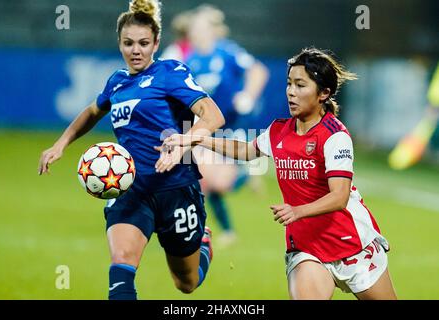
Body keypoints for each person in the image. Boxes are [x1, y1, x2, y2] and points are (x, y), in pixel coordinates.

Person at [160, 47, 397, 300]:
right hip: (307, 248)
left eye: (300, 85)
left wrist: (298, 211)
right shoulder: (279, 131)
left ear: (324, 93)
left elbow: (339, 197)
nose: (291, 92)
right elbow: (246, 150)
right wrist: (196, 140)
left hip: (351, 245)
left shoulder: (334, 136)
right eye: (289, 84)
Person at [38, 0, 225, 300]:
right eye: (128, 43)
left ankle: (203, 242)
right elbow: (91, 111)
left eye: (143, 43)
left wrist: (182, 144)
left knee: (186, 283)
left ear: (156, 43)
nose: (135, 50)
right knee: (122, 262)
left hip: (176, 188)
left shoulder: (171, 72)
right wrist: (61, 144)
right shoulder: (117, 82)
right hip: (131, 189)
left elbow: (213, 116)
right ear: (120, 43)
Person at [185, 4, 269, 245]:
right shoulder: (191, 60)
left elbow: (258, 71)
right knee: (203, 181)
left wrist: (248, 96)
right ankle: (220, 232)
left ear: (212, 30)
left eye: (200, 26)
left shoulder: (227, 52)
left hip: (234, 125)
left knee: (218, 183)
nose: (195, 31)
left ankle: (246, 172)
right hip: (208, 128)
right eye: (194, 27)